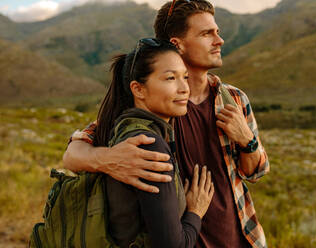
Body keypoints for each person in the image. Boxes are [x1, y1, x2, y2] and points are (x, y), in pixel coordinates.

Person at [63, 1, 270, 247]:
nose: (219, 40)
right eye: (206, 34)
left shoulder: (234, 99)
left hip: (243, 238)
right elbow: (73, 154)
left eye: (217, 31)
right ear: (176, 44)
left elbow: (256, 172)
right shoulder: (155, 105)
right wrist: (109, 159)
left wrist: (248, 140)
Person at [96, 38, 214, 247]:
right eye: (170, 78)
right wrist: (196, 211)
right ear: (138, 89)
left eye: (185, 77)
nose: (184, 88)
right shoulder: (148, 144)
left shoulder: (127, 129)